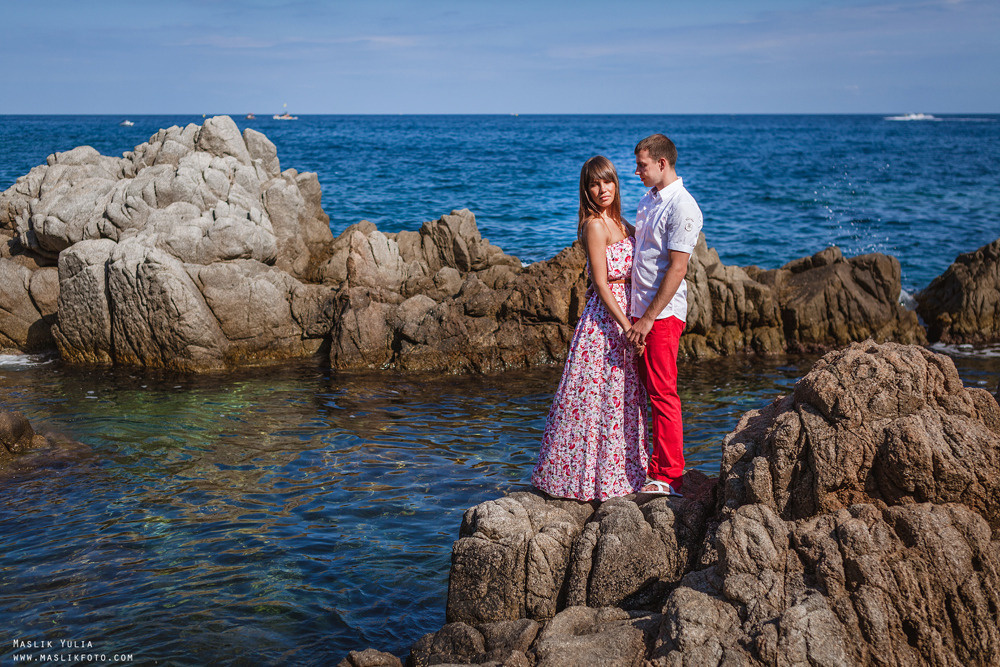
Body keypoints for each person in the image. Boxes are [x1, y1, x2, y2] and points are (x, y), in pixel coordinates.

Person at [531, 156, 648, 502]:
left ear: (616, 183)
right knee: (595, 398)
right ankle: (582, 480)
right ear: (586, 190)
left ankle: (619, 473)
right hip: (606, 322)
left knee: (621, 398)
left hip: (628, 313)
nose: (602, 189)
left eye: (607, 181)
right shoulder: (594, 226)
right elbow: (600, 283)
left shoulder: (622, 223)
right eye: (594, 184)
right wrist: (627, 326)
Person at [626, 134, 703, 497]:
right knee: (641, 393)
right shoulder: (648, 200)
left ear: (662, 163)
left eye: (641, 165)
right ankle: (647, 465)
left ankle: (669, 476)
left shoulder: (682, 206)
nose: (636, 172)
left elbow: (677, 268)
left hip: (662, 317)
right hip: (637, 311)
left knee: (662, 394)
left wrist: (647, 320)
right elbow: (642, 247)